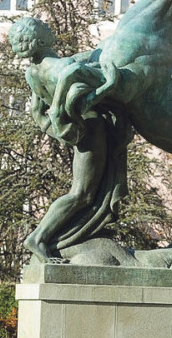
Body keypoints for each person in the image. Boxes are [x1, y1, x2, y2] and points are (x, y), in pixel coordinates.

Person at [9, 17, 132, 264]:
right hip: (92, 126)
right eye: (45, 28)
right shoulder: (63, 67)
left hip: (82, 130)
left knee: (85, 193)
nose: (50, 29)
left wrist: (60, 132)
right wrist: (107, 87)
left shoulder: (33, 73)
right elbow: (81, 99)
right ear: (40, 39)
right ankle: (38, 238)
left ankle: (51, 236)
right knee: (82, 194)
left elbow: (36, 112)